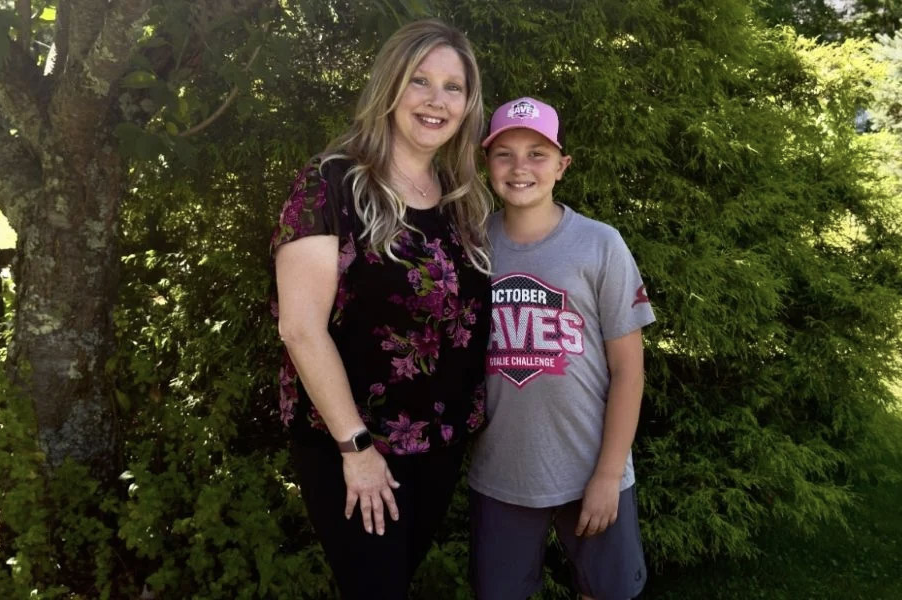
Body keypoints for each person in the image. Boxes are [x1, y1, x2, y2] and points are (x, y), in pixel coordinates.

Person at [269, 19, 492, 600]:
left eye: (453, 87)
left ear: (467, 105)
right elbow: (300, 329)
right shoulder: (331, 184)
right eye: (420, 80)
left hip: (438, 443)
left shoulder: (459, 196)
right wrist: (356, 448)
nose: (437, 100)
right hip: (354, 444)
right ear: (390, 85)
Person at [468, 97, 655, 600]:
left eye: (537, 154)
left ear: (561, 166)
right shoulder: (472, 245)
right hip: (502, 472)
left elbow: (629, 371)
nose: (520, 167)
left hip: (591, 467)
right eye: (504, 154)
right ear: (487, 164)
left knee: (605, 592)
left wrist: (609, 474)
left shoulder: (600, 244)